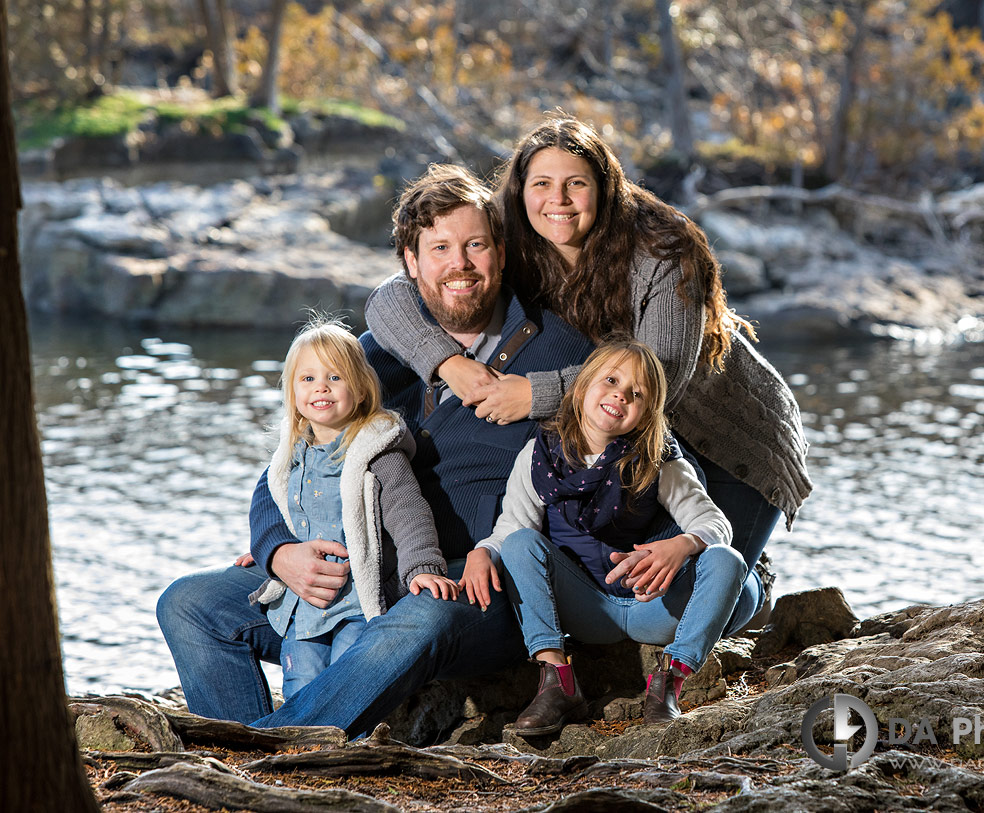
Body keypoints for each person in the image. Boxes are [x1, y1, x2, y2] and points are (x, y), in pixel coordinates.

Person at [157, 164, 595, 734]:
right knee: (189, 604)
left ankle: (272, 753)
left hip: (476, 583)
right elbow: (291, 455)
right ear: (412, 264)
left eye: (475, 245)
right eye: (439, 248)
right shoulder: (374, 357)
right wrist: (277, 549)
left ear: (502, 252)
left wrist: (501, 544)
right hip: (358, 570)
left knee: (422, 617)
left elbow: (584, 477)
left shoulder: (556, 348)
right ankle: (245, 742)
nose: (458, 264)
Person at [366, 116, 812, 587]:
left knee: (712, 582)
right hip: (623, 427)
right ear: (520, 190)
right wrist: (448, 363)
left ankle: (756, 584)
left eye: (575, 183)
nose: (557, 200)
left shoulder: (662, 251)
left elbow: (658, 375)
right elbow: (390, 297)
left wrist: (532, 394)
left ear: (604, 187)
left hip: (723, 433)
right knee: (629, 585)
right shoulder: (513, 226)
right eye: (542, 183)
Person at [470, 338, 750, 735]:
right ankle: (557, 681)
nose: (621, 394)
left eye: (637, 393)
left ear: (646, 413)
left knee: (728, 559)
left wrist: (681, 545)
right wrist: (483, 552)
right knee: (518, 544)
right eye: (612, 380)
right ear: (582, 387)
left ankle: (669, 681)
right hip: (584, 607)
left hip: (652, 607)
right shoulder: (537, 455)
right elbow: (513, 528)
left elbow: (715, 523)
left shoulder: (658, 459)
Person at [239, 316, 458, 700]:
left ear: (360, 390)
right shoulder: (290, 457)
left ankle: (341, 754)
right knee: (300, 684)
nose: (320, 386)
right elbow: (280, 510)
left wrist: (422, 567)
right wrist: (266, 554)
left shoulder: (378, 452)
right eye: (307, 379)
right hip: (304, 604)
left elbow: (408, 511)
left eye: (334, 377)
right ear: (291, 393)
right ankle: (298, 754)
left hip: (358, 601)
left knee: (346, 683)